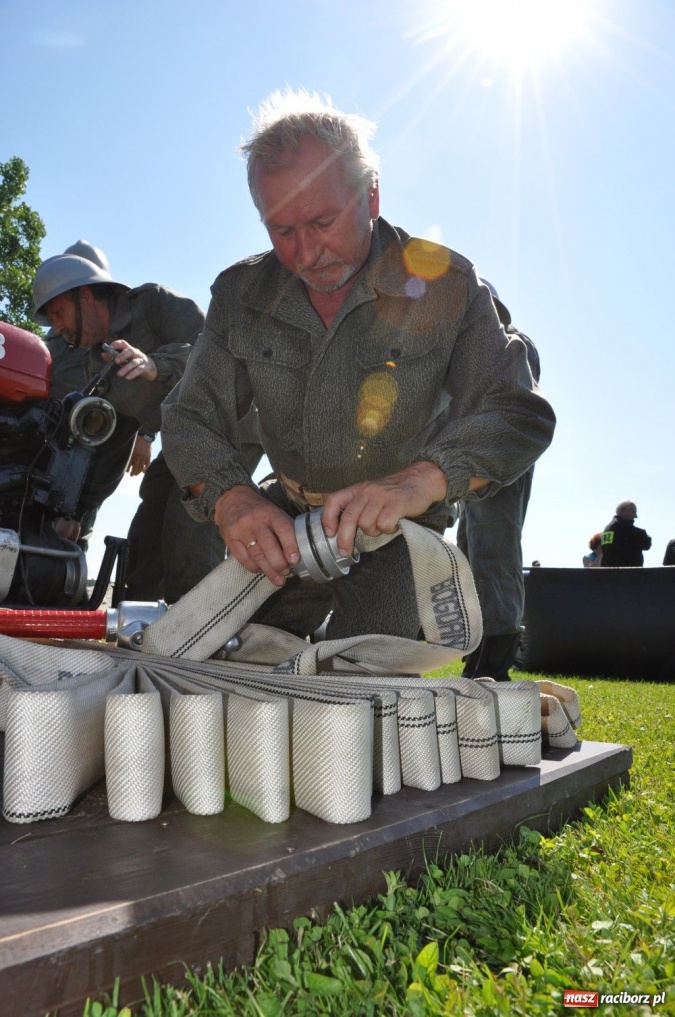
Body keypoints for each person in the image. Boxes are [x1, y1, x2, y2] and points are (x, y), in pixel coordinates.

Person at [161, 89, 556, 640]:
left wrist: (424, 480)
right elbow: (188, 417)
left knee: (362, 685)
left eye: (322, 222)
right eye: (281, 230)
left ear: (371, 197)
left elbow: (517, 413)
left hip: (400, 528)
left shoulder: (446, 284)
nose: (305, 253)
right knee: (225, 659)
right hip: (289, 523)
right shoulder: (240, 294)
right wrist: (230, 497)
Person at [32, 253, 228, 602]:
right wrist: (73, 514)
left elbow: (216, 353)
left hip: (234, 421)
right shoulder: (98, 362)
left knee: (188, 530)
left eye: (59, 313)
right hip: (188, 439)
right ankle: (143, 626)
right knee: (147, 534)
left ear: (86, 296)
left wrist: (156, 364)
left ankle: (198, 637)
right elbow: (107, 444)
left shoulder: (154, 302)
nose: (57, 327)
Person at [456, 280, 541, 681]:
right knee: (468, 550)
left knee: (494, 549)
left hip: (500, 463)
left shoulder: (513, 345)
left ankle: (495, 658)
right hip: (469, 464)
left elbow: (517, 406)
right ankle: (477, 650)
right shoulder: (466, 352)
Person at [45, 241, 152, 552]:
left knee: (76, 531)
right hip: (53, 441)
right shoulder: (53, 339)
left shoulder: (118, 335)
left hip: (95, 448)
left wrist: (145, 434)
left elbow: (142, 388)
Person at [600, 500, 651, 567]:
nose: (635, 516)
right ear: (622, 511)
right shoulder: (625, 529)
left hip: (609, 574)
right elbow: (646, 543)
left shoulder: (607, 529)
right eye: (633, 512)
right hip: (627, 574)